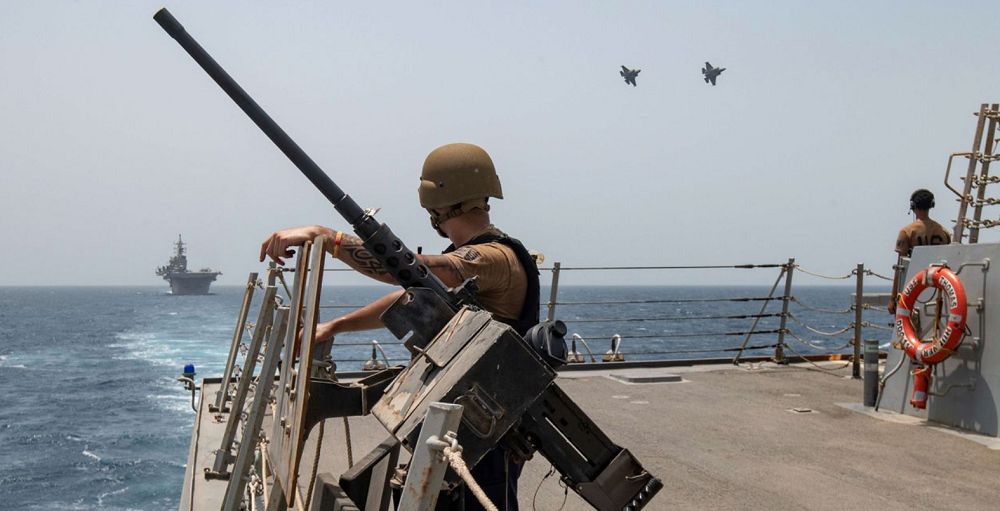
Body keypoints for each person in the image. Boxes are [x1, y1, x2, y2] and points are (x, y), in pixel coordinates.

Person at [259, 142, 539, 511]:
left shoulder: (493, 257)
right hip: (465, 421)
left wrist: (328, 238)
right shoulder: (482, 259)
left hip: (486, 433)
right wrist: (336, 326)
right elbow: (414, 295)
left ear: (437, 203)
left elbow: (418, 272)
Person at [888, 189, 951, 314]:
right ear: (931, 205)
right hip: (938, 289)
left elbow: (900, 268)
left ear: (913, 206)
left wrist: (893, 298)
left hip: (913, 288)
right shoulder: (944, 232)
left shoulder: (906, 232)